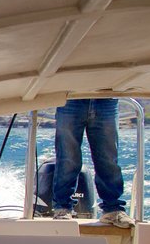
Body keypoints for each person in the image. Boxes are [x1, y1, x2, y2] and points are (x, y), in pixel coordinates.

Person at [52, 98, 135, 228]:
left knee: (108, 159)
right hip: (70, 97)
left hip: (107, 98)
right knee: (67, 158)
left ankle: (112, 209)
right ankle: (62, 208)